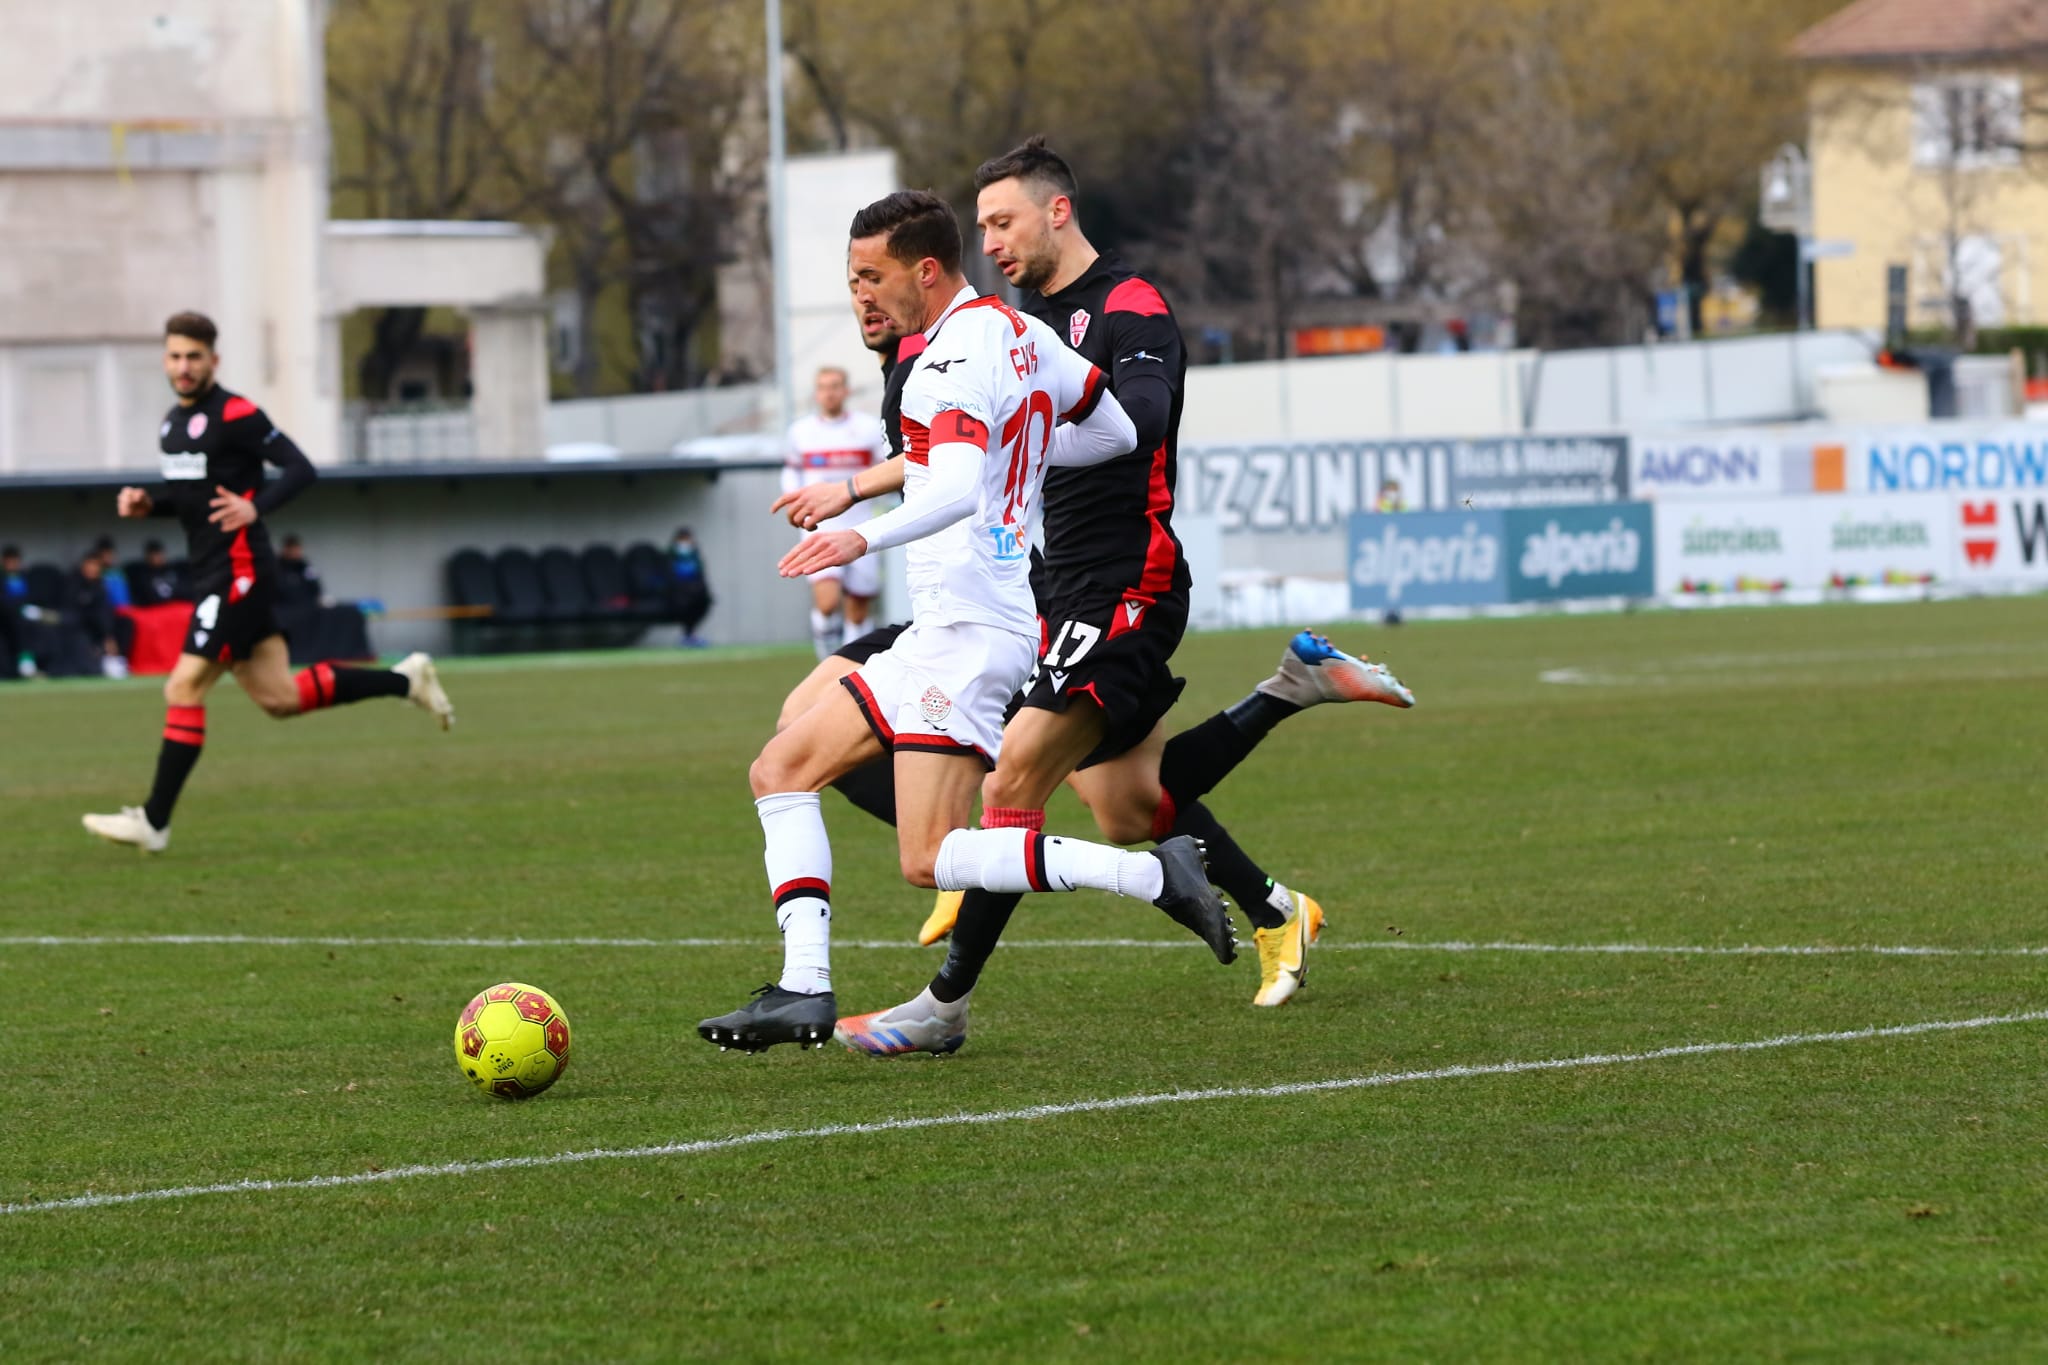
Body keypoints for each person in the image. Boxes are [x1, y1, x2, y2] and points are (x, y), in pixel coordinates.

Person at [786, 143, 1414, 1054]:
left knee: (1013, 783)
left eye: (1003, 222)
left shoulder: (1129, 305)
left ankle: (943, 1001)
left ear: (1058, 212)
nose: (991, 243)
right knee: (1126, 806)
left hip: (1125, 577)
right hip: (1034, 583)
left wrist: (1037, 421)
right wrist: (871, 473)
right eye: (982, 226)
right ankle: (1281, 798)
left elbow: (1142, 421)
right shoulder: (1013, 323)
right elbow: (960, 444)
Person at [697, 189, 1234, 1054]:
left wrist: (859, 536)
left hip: (970, 638)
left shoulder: (947, 360)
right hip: (953, 630)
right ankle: (803, 988)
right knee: (782, 766)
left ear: (926, 270)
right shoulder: (1023, 334)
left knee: (928, 857)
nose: (863, 294)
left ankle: (1148, 874)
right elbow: (1114, 431)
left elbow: (948, 489)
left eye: (872, 276)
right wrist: (1020, 456)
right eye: (852, 278)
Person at [80, 311, 456, 854]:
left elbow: (301, 468)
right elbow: (192, 501)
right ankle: (405, 681)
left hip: (239, 573)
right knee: (280, 698)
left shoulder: (236, 413)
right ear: (165, 360)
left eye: (194, 357)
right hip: (211, 571)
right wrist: (149, 506)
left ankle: (153, 822)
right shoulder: (170, 425)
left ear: (214, 360)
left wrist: (256, 507)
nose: (184, 367)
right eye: (176, 356)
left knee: (182, 688)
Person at [783, 366, 892, 658]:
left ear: (846, 391)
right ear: (816, 393)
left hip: (862, 523)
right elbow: (791, 473)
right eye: (823, 387)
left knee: (858, 607)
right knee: (827, 601)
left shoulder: (868, 428)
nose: (829, 393)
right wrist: (796, 504)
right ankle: (826, 660)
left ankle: (852, 663)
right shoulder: (800, 432)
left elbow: (886, 469)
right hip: (820, 526)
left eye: (834, 386)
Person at [57, 549, 128, 678]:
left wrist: (108, 634)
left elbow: (105, 612)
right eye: (90, 565)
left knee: (126, 623)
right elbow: (73, 612)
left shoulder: (100, 585)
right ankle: (100, 661)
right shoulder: (72, 583)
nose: (93, 569)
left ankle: (115, 658)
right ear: (83, 565)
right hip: (79, 628)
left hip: (100, 628)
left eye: (96, 565)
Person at [667, 527, 713, 647]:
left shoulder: (694, 554)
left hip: (695, 592)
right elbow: (669, 576)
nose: (685, 542)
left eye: (687, 539)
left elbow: (700, 575)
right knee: (685, 604)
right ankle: (687, 636)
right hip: (678, 592)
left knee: (702, 602)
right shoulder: (670, 555)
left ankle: (689, 635)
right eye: (683, 539)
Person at [275, 533, 322, 609]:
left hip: (306, 608)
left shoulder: (306, 567)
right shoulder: (276, 567)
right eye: (292, 549)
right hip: (283, 608)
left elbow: (316, 589)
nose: (295, 552)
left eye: (297, 549)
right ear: (285, 549)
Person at [132, 540, 186, 604]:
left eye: (160, 554)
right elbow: (147, 597)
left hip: (177, 605)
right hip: (155, 607)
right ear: (148, 557)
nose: (159, 558)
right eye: (155, 555)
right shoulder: (142, 575)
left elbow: (184, 591)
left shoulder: (174, 570)